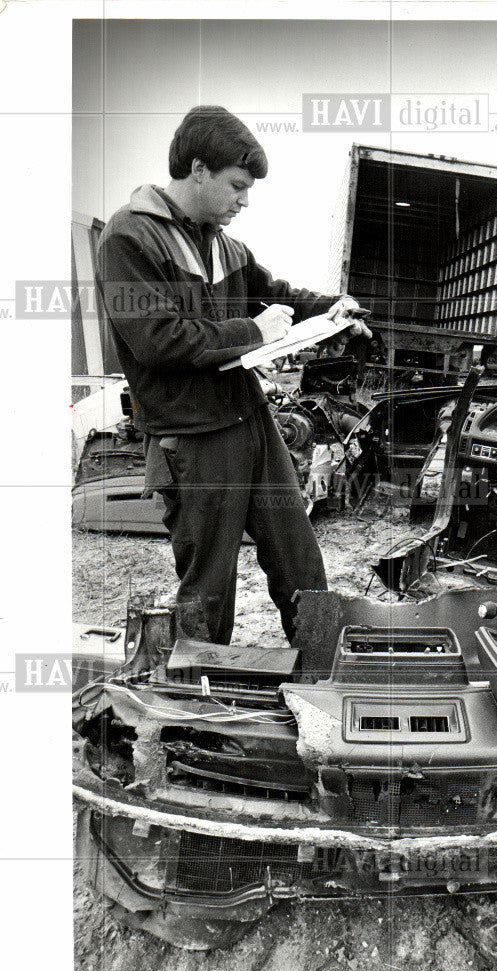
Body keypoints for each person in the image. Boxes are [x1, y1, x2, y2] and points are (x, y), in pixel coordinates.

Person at [96, 106, 367, 644]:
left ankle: (320, 669)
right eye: (237, 186)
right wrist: (254, 331)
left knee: (298, 557)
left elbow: (281, 296)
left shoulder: (227, 247)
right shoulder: (130, 239)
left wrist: (334, 308)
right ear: (198, 169)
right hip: (191, 436)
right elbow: (158, 339)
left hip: (250, 421)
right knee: (209, 584)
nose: (244, 201)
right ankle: (197, 705)